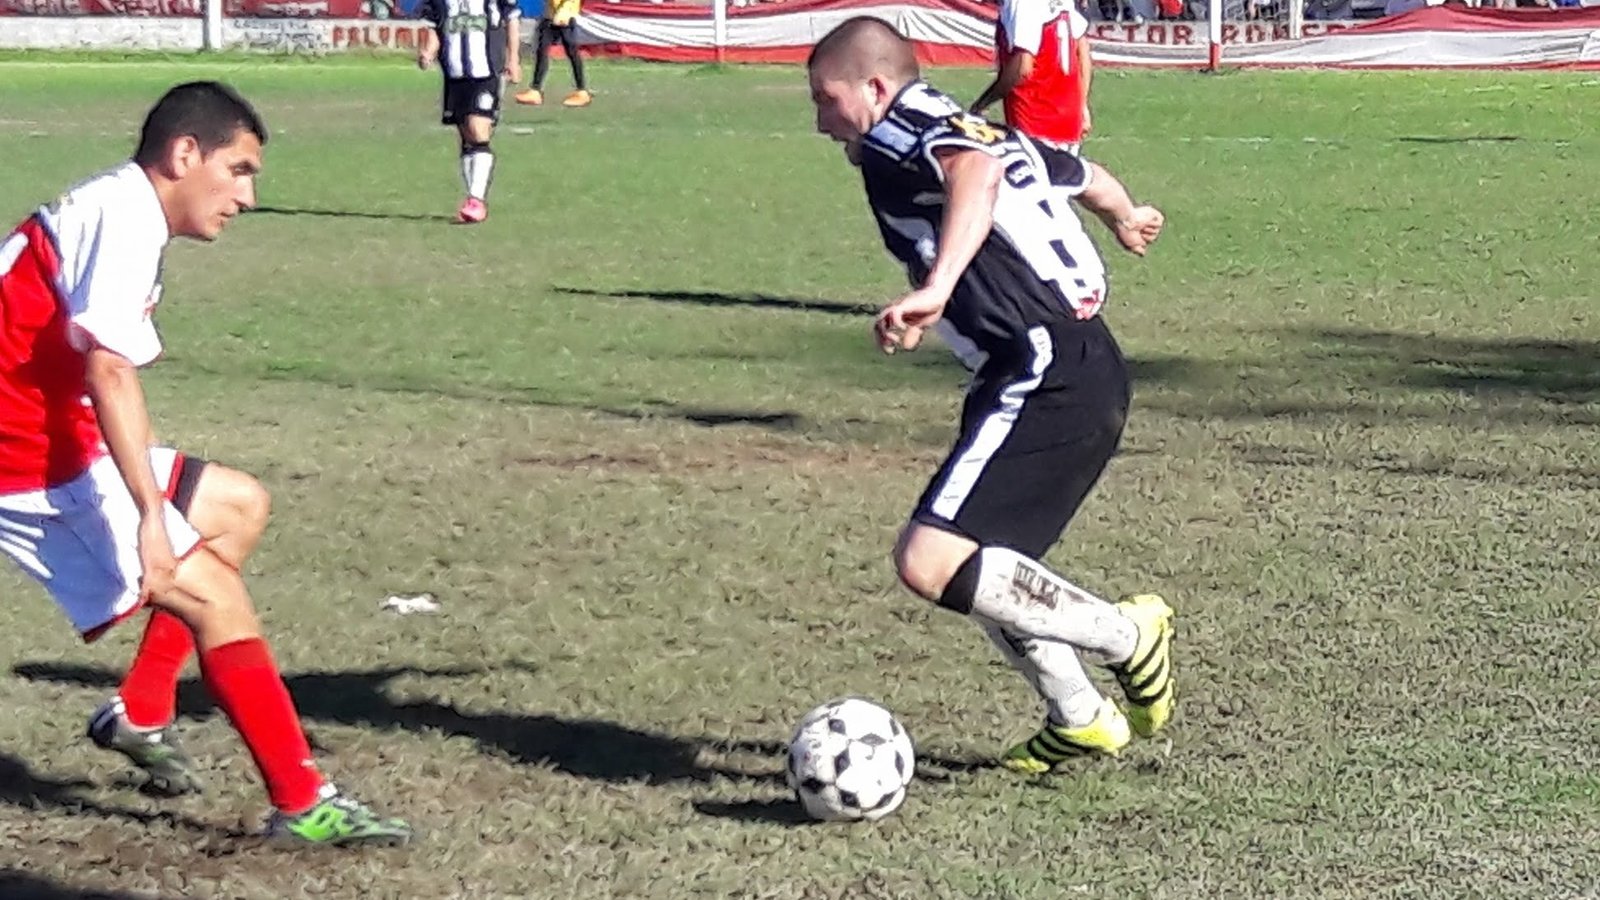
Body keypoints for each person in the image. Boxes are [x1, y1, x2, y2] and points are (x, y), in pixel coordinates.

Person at [0, 81, 413, 847]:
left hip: (52, 435)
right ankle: (304, 801)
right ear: (185, 154)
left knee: (236, 507)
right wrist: (152, 518)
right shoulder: (123, 220)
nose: (249, 196)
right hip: (27, 463)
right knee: (215, 595)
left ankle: (142, 710)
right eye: (241, 169)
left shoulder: (119, 207)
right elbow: (110, 373)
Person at [806, 17, 1176, 773]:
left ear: (874, 88)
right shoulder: (961, 119)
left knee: (930, 560)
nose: (820, 121)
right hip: (1057, 363)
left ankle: (1127, 636)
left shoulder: (903, 131)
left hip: (1047, 365)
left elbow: (974, 172)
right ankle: (1078, 716)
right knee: (989, 565)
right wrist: (1125, 215)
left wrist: (939, 287)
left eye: (826, 99)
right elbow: (1083, 175)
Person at [417, 0, 522, 224]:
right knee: (466, 135)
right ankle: (472, 198)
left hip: (487, 71)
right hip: (455, 74)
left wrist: (513, 58)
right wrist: (428, 52)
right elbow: (435, 26)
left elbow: (511, 18)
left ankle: (476, 200)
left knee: (478, 129)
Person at [970, 0, 1093, 155]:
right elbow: (1082, 50)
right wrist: (1082, 106)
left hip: (1034, 123)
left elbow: (1022, 68)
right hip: (1068, 125)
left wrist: (982, 103)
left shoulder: (1023, 4)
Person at [512, 0, 592, 109]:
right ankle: (535, 90)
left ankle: (582, 91)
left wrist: (566, 10)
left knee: (571, 51)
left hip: (564, 12)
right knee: (542, 49)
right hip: (551, 12)